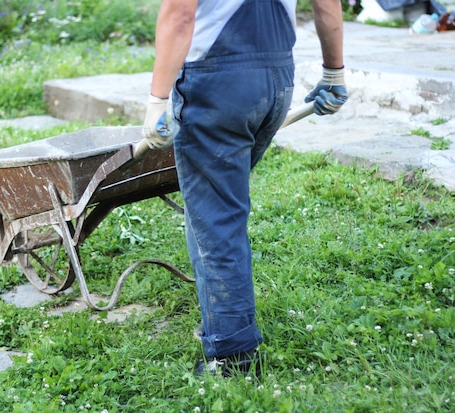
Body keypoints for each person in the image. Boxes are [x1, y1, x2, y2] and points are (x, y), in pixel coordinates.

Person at [141, 0, 348, 377]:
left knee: (217, 217)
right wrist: (334, 71)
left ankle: (232, 355)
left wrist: (156, 100)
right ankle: (217, 318)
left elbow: (180, 13)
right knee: (211, 207)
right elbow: (326, 3)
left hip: (217, 85)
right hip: (275, 79)